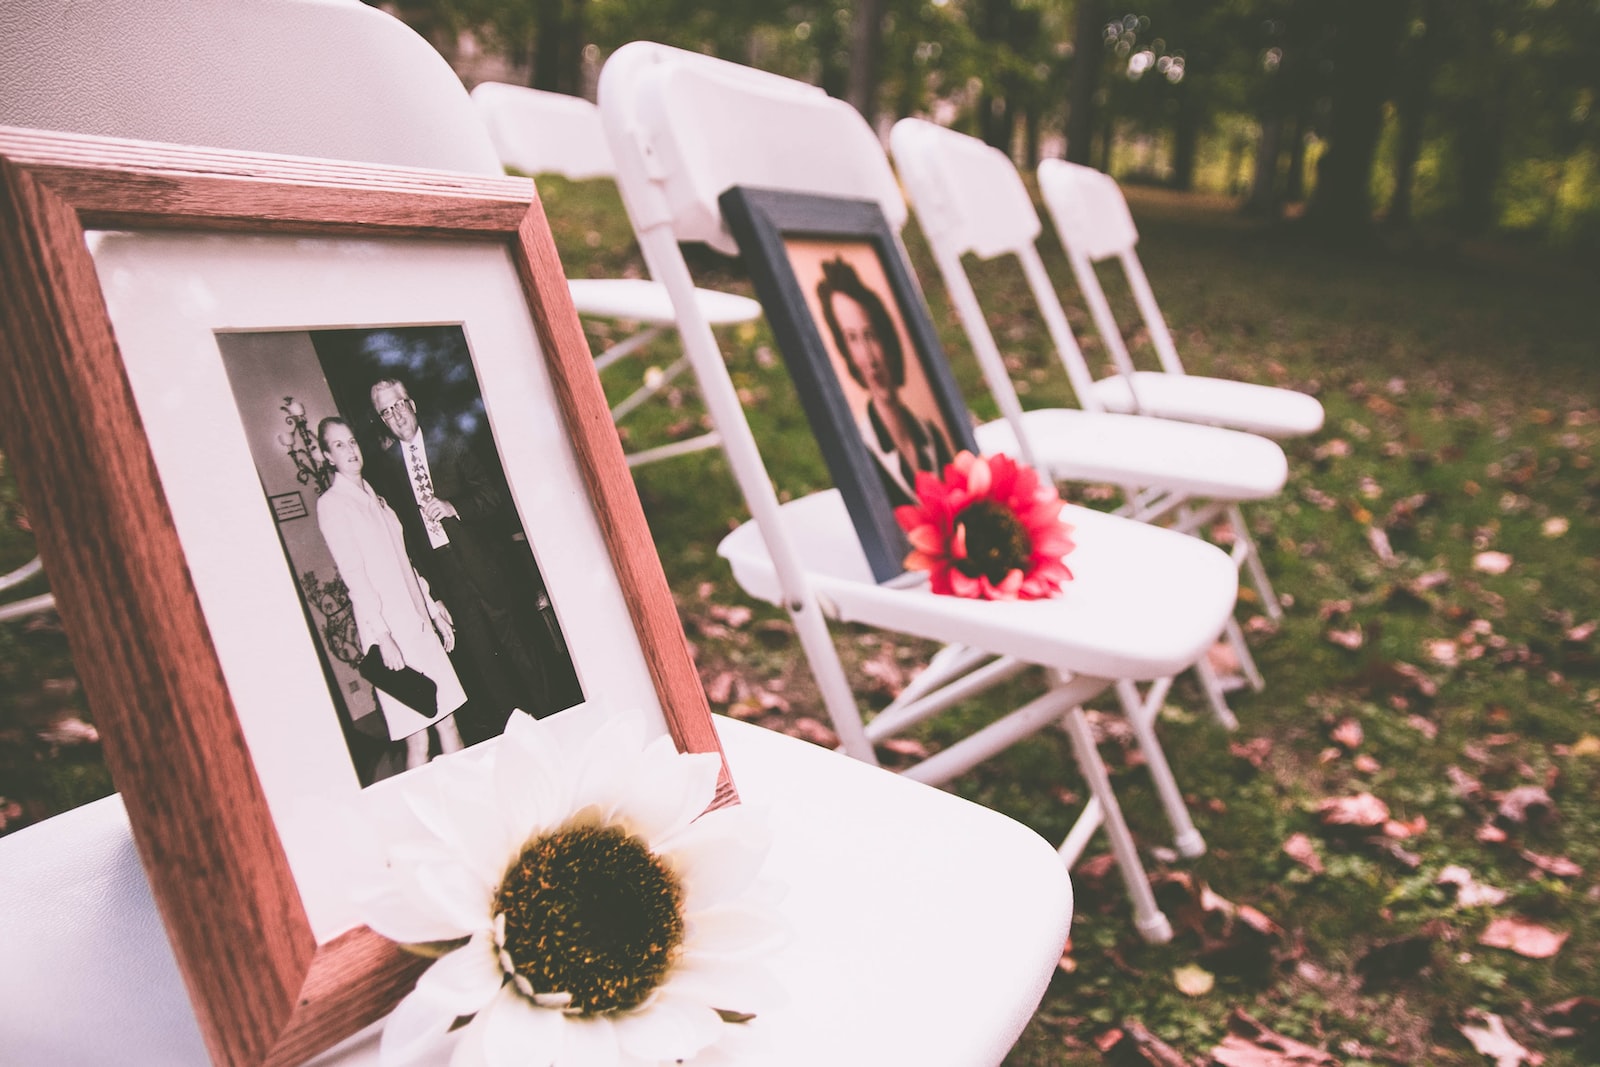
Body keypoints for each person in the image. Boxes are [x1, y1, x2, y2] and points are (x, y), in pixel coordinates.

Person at [366, 376, 571, 744]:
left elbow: (492, 495)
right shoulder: (388, 470)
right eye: (386, 412)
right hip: (446, 577)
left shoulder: (450, 440)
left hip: (485, 565)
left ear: (412, 405)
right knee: (484, 662)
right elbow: (408, 539)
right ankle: (517, 738)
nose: (395, 416)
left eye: (398, 406)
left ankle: (556, 721)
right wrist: (432, 595)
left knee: (520, 647)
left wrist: (453, 507)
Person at [314, 417, 466, 770]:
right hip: (390, 635)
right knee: (418, 740)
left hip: (417, 625)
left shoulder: (375, 497)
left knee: (449, 723)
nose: (350, 450)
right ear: (327, 456)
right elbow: (354, 576)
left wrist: (432, 607)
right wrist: (383, 638)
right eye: (339, 445)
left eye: (352, 441)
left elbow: (404, 561)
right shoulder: (333, 504)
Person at [816, 257, 955, 505]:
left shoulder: (931, 436)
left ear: (887, 338)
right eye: (852, 338)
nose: (869, 358)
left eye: (871, 335)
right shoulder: (862, 450)